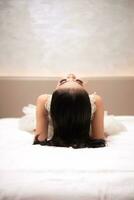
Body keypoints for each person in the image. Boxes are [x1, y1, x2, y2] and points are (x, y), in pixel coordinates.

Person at [33, 74, 106, 148]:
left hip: (84, 129)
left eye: (78, 81)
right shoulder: (96, 100)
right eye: (63, 81)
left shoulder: (43, 100)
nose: (71, 76)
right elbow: (99, 138)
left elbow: (40, 139)